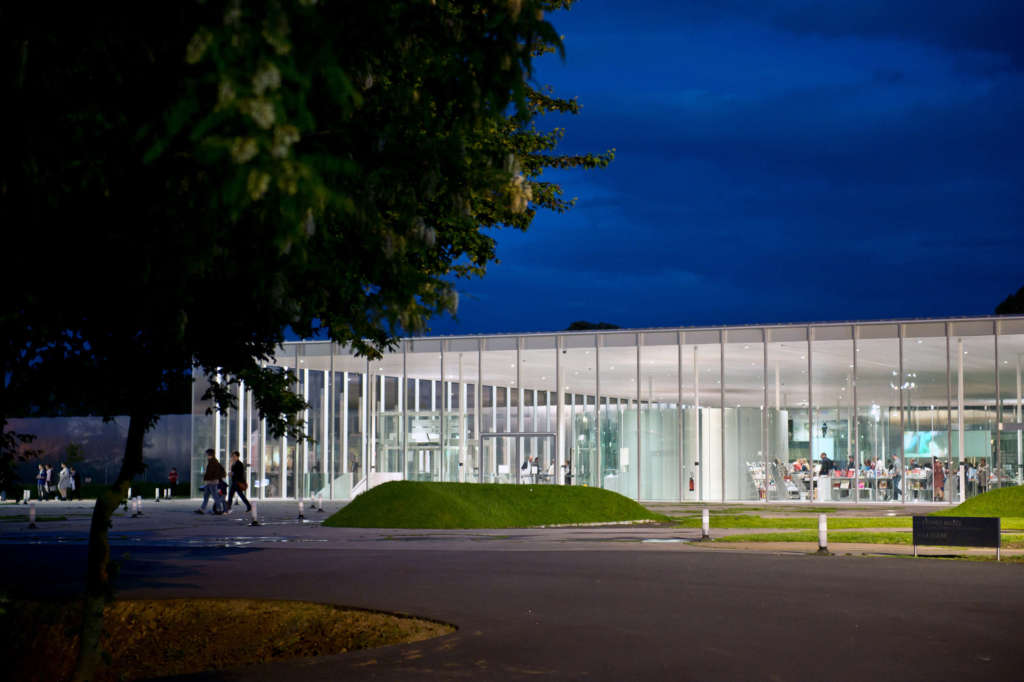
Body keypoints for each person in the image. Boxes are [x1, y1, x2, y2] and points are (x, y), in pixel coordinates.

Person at [196, 449, 226, 515]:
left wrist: (214, 478)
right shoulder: (212, 461)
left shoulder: (214, 462)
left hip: (212, 482)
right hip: (209, 482)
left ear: (211, 455)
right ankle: (202, 509)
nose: (207, 456)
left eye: (207, 454)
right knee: (206, 496)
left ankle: (219, 509)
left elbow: (214, 472)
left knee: (215, 497)